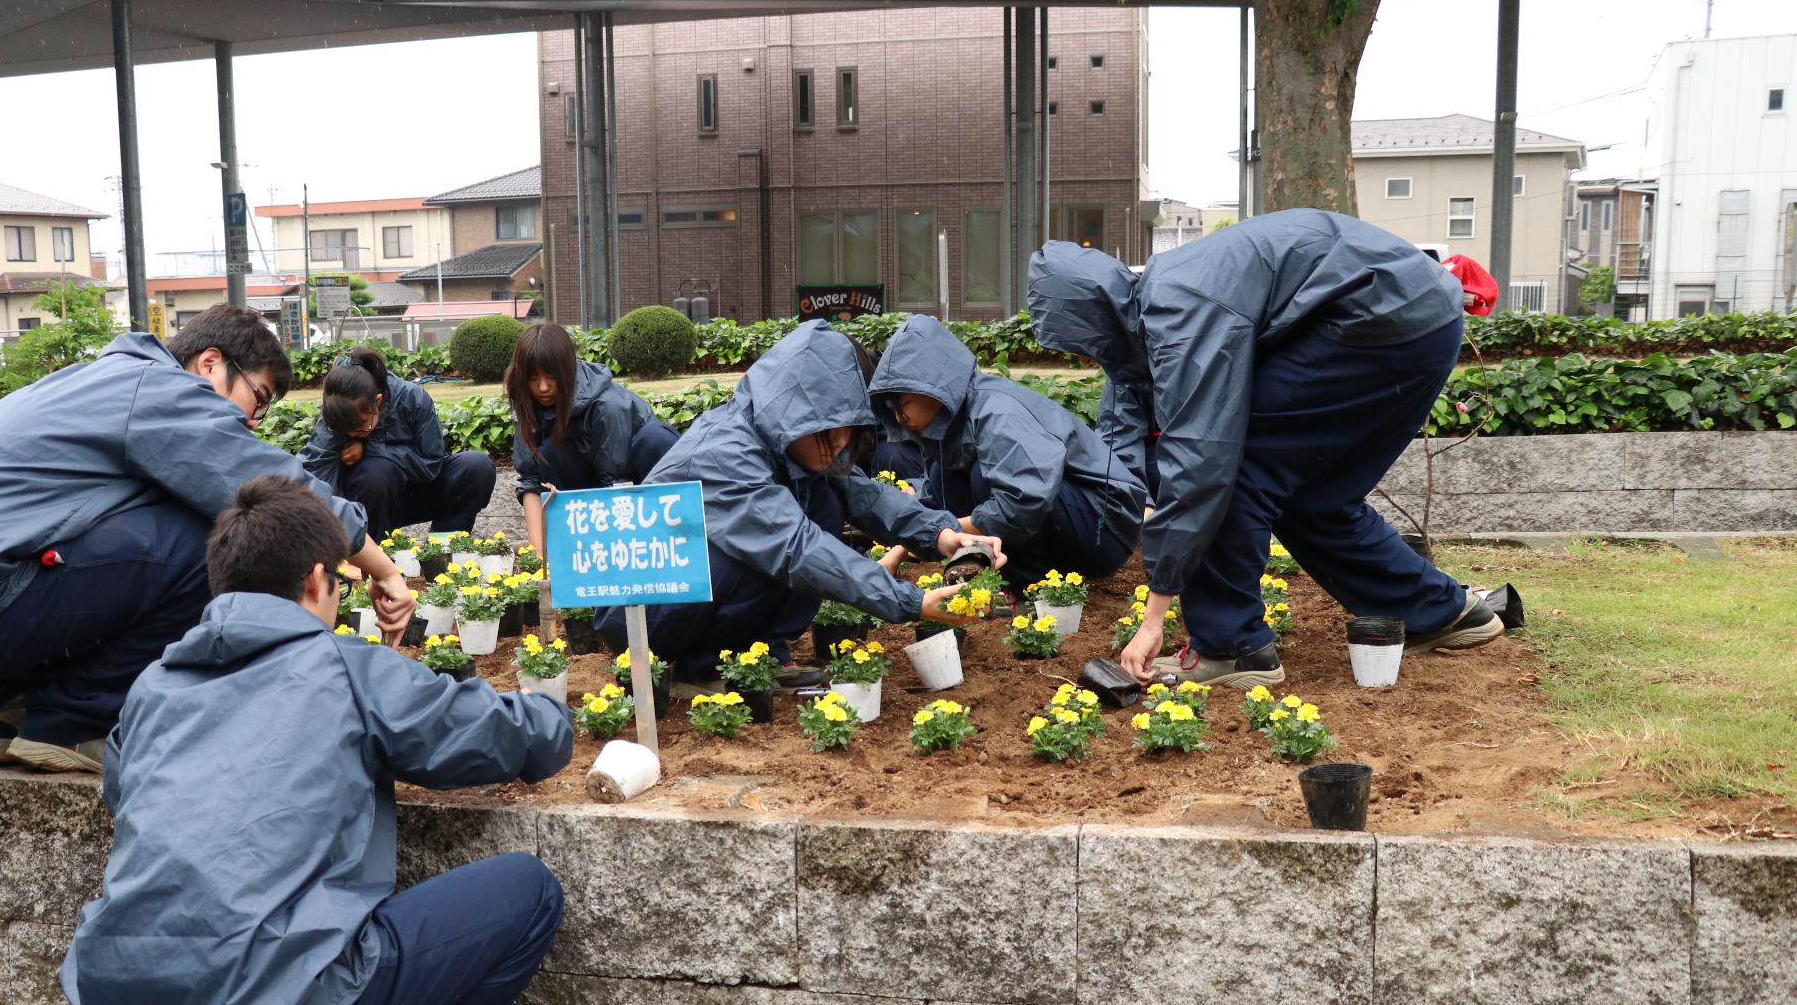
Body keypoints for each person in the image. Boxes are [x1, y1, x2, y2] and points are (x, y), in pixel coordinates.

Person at [60, 475, 571, 1005]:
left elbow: (128, 794)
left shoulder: (153, 686)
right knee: (527, 889)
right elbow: (494, 738)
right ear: (317, 579)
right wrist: (554, 712)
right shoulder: (342, 665)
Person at [0, 305, 415, 774]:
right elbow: (276, 490)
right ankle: (76, 723)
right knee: (222, 529)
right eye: (260, 398)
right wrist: (383, 568)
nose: (255, 421)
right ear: (210, 363)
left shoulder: (94, 379)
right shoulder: (159, 392)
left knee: (133, 523)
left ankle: (0, 711)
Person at [1027, 210, 1504, 688]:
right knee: (1316, 498)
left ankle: (1232, 647)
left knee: (1238, 471)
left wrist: (1154, 616)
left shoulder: (1180, 308)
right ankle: (1442, 613)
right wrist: (1138, 499)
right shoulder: (1150, 310)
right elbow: (1124, 415)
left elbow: (1204, 461)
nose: (1082, 357)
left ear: (1096, 317)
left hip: (1375, 320)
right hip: (1422, 321)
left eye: (1078, 343)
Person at [595, 320, 1003, 682]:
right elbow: (797, 547)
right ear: (796, 411)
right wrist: (911, 601)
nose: (841, 443)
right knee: (772, 547)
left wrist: (942, 535)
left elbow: (865, 494)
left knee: (826, 497)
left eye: (849, 427)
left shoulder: (783, 438)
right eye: (829, 429)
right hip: (645, 616)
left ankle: (758, 656)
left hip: (684, 601)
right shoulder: (728, 452)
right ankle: (697, 666)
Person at [868, 314, 1142, 588]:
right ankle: (998, 580)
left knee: (985, 477)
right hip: (1070, 519)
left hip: (1105, 528)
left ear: (932, 388)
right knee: (943, 473)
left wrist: (949, 530)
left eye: (903, 403)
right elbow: (933, 498)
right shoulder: (947, 425)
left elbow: (1023, 500)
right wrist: (893, 556)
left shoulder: (998, 411)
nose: (900, 417)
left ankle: (1032, 588)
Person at [503, 322, 678, 561]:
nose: (543, 387)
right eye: (533, 379)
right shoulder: (525, 407)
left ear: (567, 371)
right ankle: (571, 550)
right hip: (590, 491)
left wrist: (615, 557)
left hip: (636, 488)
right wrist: (538, 557)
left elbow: (616, 484)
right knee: (549, 451)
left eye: (551, 377)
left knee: (655, 437)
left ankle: (670, 542)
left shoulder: (608, 405)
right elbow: (531, 482)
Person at [301, 347, 495, 540]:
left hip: (419, 492)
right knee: (377, 473)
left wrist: (370, 448)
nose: (352, 434)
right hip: (369, 501)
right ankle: (371, 554)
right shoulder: (337, 411)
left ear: (377, 401)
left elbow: (432, 464)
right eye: (346, 430)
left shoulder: (413, 398)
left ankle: (442, 549)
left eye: (360, 426)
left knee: (477, 467)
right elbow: (314, 471)